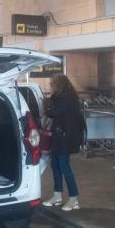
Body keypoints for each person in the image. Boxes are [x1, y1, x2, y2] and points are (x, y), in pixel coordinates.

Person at [42, 74, 86, 211]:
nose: (51, 87)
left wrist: (47, 103)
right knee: (55, 165)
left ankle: (74, 199)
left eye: (52, 84)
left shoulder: (67, 99)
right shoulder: (60, 98)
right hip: (59, 137)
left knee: (64, 167)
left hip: (66, 138)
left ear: (58, 85)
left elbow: (54, 113)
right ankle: (57, 195)